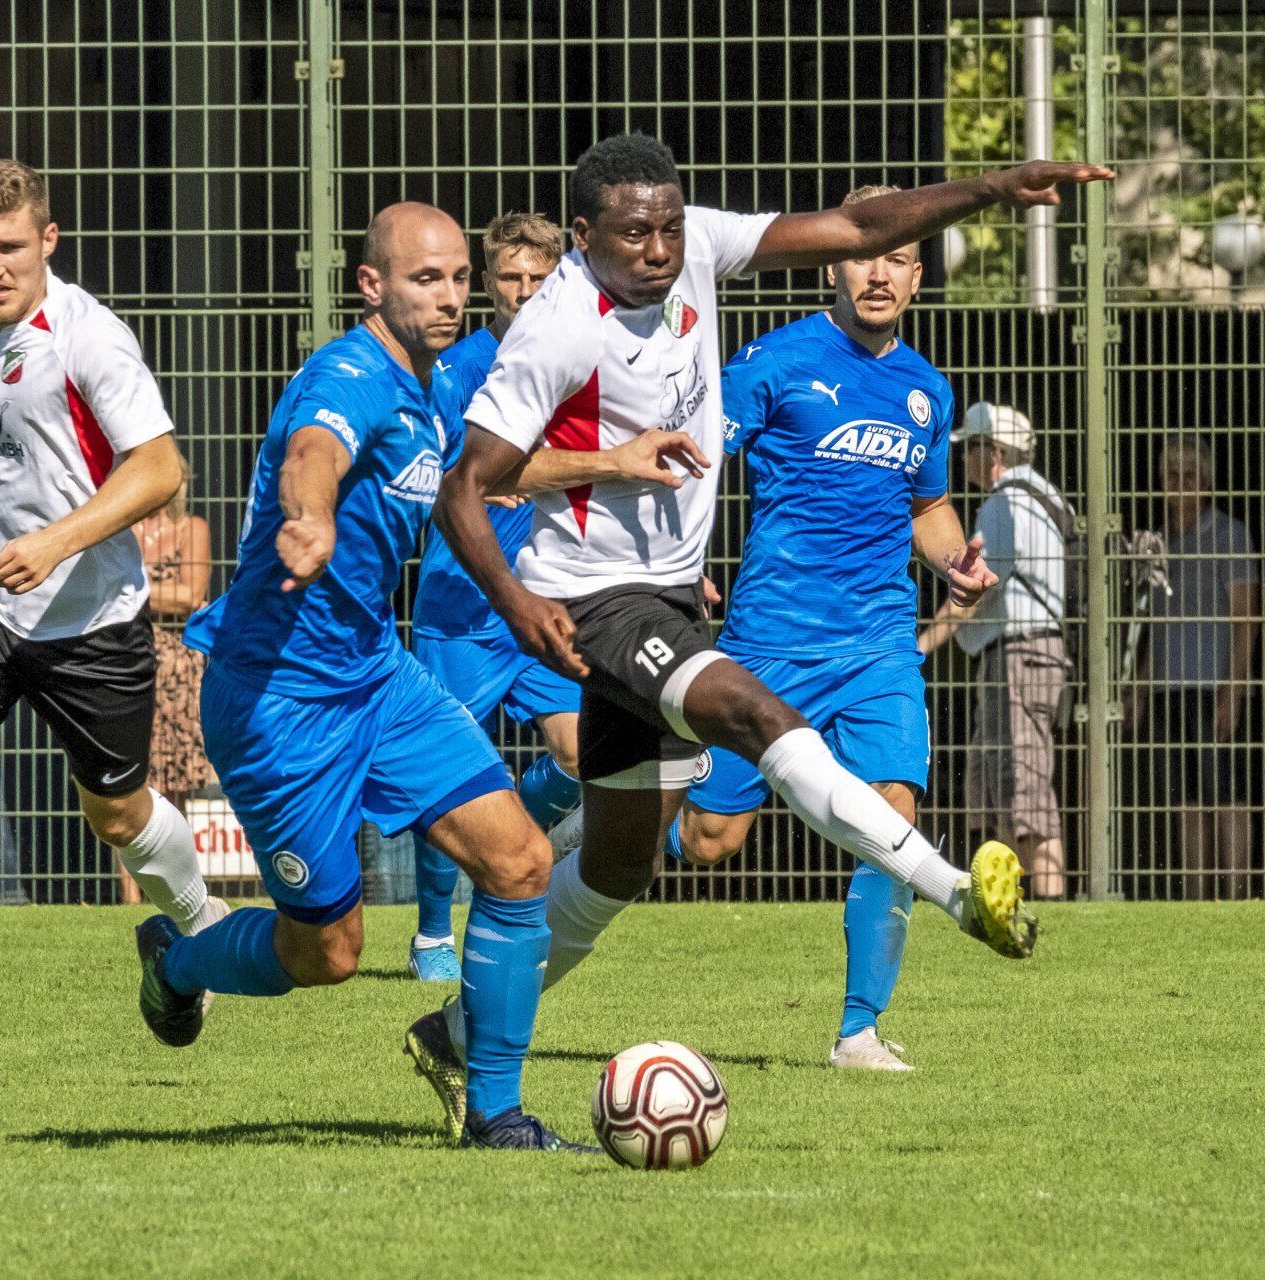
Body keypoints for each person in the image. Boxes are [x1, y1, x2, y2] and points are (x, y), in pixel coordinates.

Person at [412, 134, 1110, 1130]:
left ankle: (454, 1033)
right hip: (599, 601)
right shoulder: (557, 329)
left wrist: (996, 186)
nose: (660, 249)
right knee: (754, 720)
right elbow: (467, 487)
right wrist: (534, 585)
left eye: (669, 226)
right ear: (583, 234)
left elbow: (858, 222)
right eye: (634, 234)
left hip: (687, 602)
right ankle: (958, 892)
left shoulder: (704, 247)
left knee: (616, 871)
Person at [161, 202, 700, 1152]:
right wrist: (309, 515)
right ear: (372, 285)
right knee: (327, 951)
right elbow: (313, 452)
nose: (450, 297)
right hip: (278, 700)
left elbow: (487, 477)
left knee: (521, 861)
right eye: (426, 279)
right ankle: (178, 965)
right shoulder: (349, 375)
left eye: (457, 278)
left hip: (378, 676)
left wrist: (612, 461)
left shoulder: (438, 384)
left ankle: (496, 1113)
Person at [0, 158, 218, 1079]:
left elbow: (160, 468)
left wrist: (58, 543)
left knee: (117, 815)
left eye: (11, 246)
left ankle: (199, 919)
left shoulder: (89, 337)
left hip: (92, 613)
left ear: (48, 241)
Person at [663, 186, 983, 1072]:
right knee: (711, 843)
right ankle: (617, 817)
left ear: (916, 277)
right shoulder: (774, 361)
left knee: (893, 818)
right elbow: (690, 463)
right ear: (832, 264)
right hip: (770, 643)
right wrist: (683, 563)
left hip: (879, 646)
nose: (879, 273)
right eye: (864, 254)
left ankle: (858, 1032)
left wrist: (955, 565)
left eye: (898, 258)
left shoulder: (926, 389)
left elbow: (928, 508)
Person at [406, 211, 580, 981]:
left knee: (581, 754)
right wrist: (473, 485)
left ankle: (508, 847)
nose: (524, 291)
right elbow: (427, 474)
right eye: (510, 277)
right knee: (443, 775)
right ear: (488, 284)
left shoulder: (579, 364)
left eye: (538, 278)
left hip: (546, 599)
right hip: (460, 607)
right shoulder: (454, 370)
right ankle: (431, 935)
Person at [920, 401, 1074, 899]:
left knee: (1024, 791)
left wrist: (919, 647)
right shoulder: (1048, 498)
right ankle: (1022, 902)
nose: (963, 457)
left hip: (1018, 656)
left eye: (971, 447)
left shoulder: (1005, 506)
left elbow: (975, 589)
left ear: (995, 453)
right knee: (1012, 788)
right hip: (1038, 653)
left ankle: (1046, 905)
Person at [1136, 437, 1258, 899]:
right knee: (1186, 798)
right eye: (1172, 475)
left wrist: (1234, 690)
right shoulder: (1157, 542)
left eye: (1190, 474)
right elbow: (1151, 626)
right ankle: (1195, 900)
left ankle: (1236, 898)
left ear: (1206, 481)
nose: (1181, 483)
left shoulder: (1230, 534)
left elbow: (1246, 617)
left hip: (1216, 684)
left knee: (1227, 794)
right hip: (1169, 686)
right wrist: (1139, 689)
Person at [135, 476, 214, 806]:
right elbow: (98, 590)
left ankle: (172, 840)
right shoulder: (121, 531)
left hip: (177, 666)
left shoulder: (192, 528)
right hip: (128, 656)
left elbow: (191, 597)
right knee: (127, 783)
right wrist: (170, 596)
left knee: (174, 783)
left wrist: (126, 596)